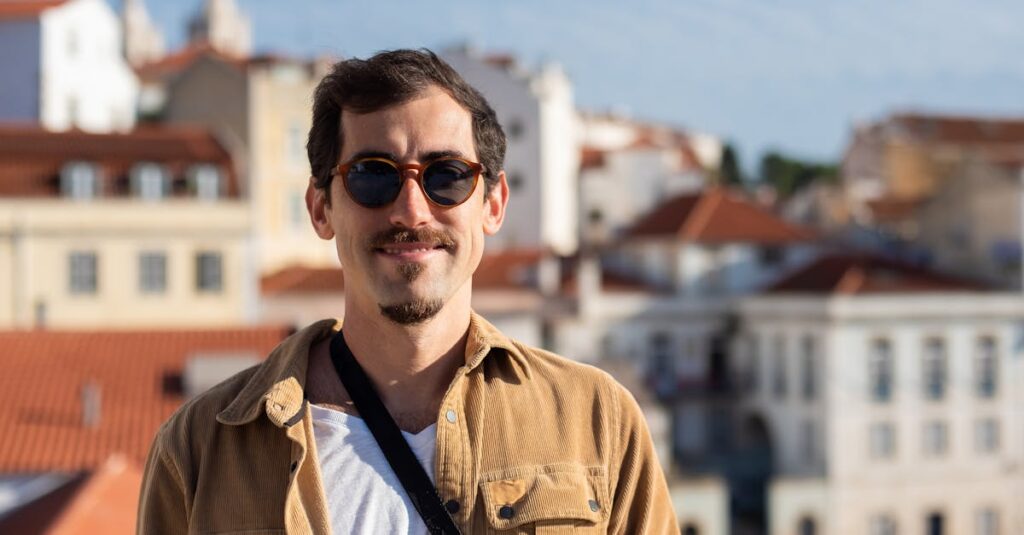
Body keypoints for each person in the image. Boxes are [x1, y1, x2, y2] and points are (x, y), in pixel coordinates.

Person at [138, 49, 678, 534]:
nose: (411, 210)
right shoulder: (200, 452)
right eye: (374, 176)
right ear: (321, 208)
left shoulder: (597, 423)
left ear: (492, 204)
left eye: (446, 176)